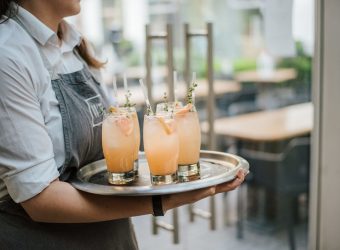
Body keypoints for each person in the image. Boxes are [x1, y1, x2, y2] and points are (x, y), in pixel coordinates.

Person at [0, 1, 246, 249]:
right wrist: (163, 200)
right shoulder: (8, 54)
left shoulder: (75, 44)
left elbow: (116, 140)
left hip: (112, 238)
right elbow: (40, 200)